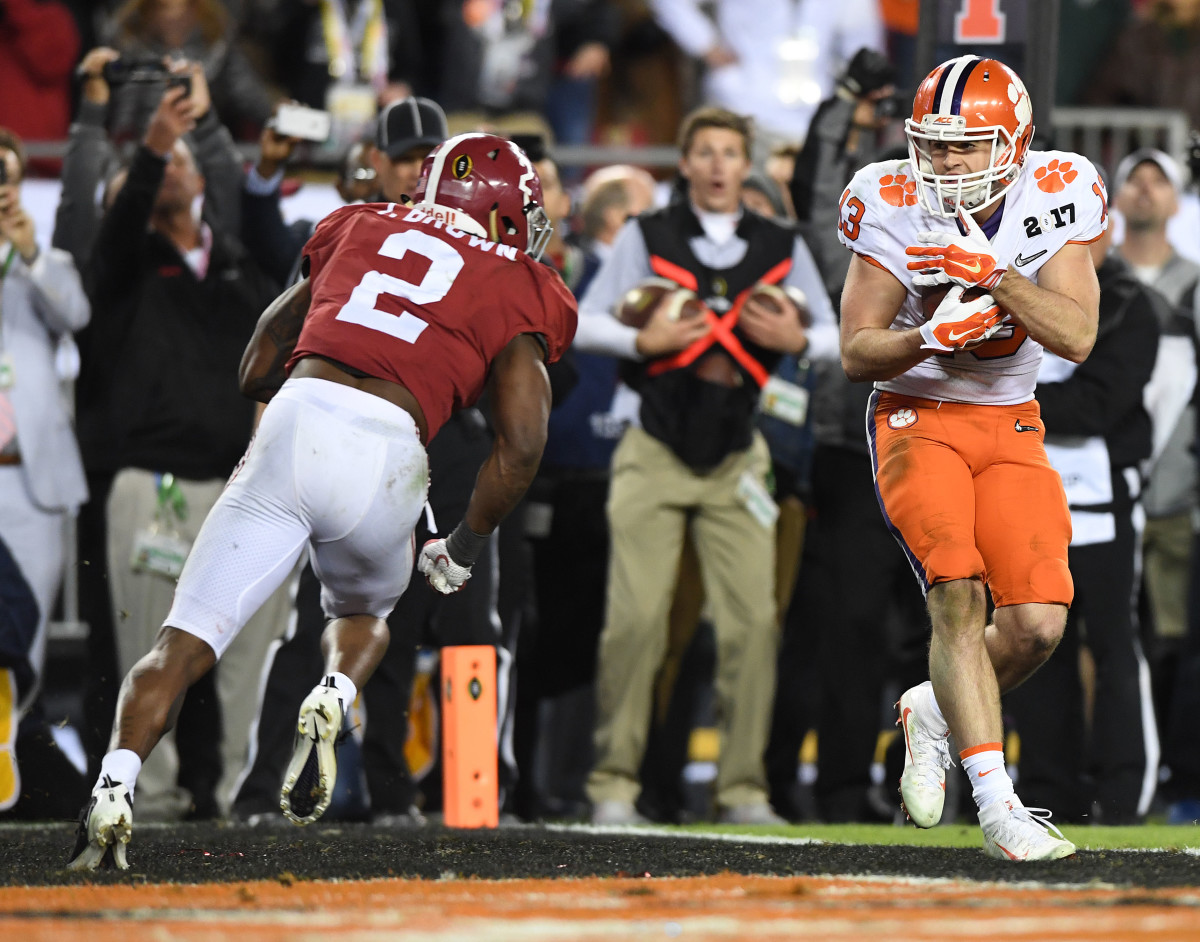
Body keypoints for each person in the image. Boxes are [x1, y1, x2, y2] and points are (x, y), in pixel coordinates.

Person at [68, 131, 577, 869]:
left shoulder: (360, 221)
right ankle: (335, 694)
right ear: (500, 211)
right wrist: (460, 548)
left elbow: (266, 346)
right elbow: (523, 443)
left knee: (179, 642)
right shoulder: (519, 278)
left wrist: (282, 396)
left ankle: (114, 785)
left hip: (294, 417)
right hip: (389, 447)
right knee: (364, 614)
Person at [838, 54, 1105, 860]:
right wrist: (925, 337)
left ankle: (931, 707)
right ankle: (998, 807)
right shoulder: (887, 198)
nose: (946, 163)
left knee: (1036, 628)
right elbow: (856, 349)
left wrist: (998, 279)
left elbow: (1079, 334)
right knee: (957, 592)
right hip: (919, 416)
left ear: (1015, 143)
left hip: (1011, 421)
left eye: (967, 146)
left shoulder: (1056, 189)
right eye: (935, 144)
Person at [575, 106, 839, 825]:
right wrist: (645, 340)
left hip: (738, 453)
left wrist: (799, 337)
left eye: (731, 152)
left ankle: (743, 789)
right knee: (634, 620)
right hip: (654, 444)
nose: (720, 165)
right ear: (685, 164)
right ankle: (613, 785)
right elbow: (586, 318)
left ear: (744, 163)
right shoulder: (647, 233)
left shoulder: (781, 242)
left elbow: (840, 335)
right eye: (707, 152)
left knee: (754, 622)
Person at [71, 78, 283, 822]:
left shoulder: (238, 265)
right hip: (148, 488)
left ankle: (240, 795)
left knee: (251, 657)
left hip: (242, 492)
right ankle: (142, 796)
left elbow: (291, 314)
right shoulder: (117, 267)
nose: (165, 171)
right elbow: (126, 217)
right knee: (146, 650)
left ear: (202, 180)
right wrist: (154, 142)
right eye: (147, 168)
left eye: (181, 159)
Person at [1007, 202, 1162, 825]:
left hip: (1104, 496)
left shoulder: (1130, 303)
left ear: (1106, 233)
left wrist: (1032, 402)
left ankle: (1126, 792)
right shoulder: (1019, 289)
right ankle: (1048, 792)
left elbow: (1104, 404)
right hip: (1029, 488)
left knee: (1115, 642)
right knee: (1041, 637)